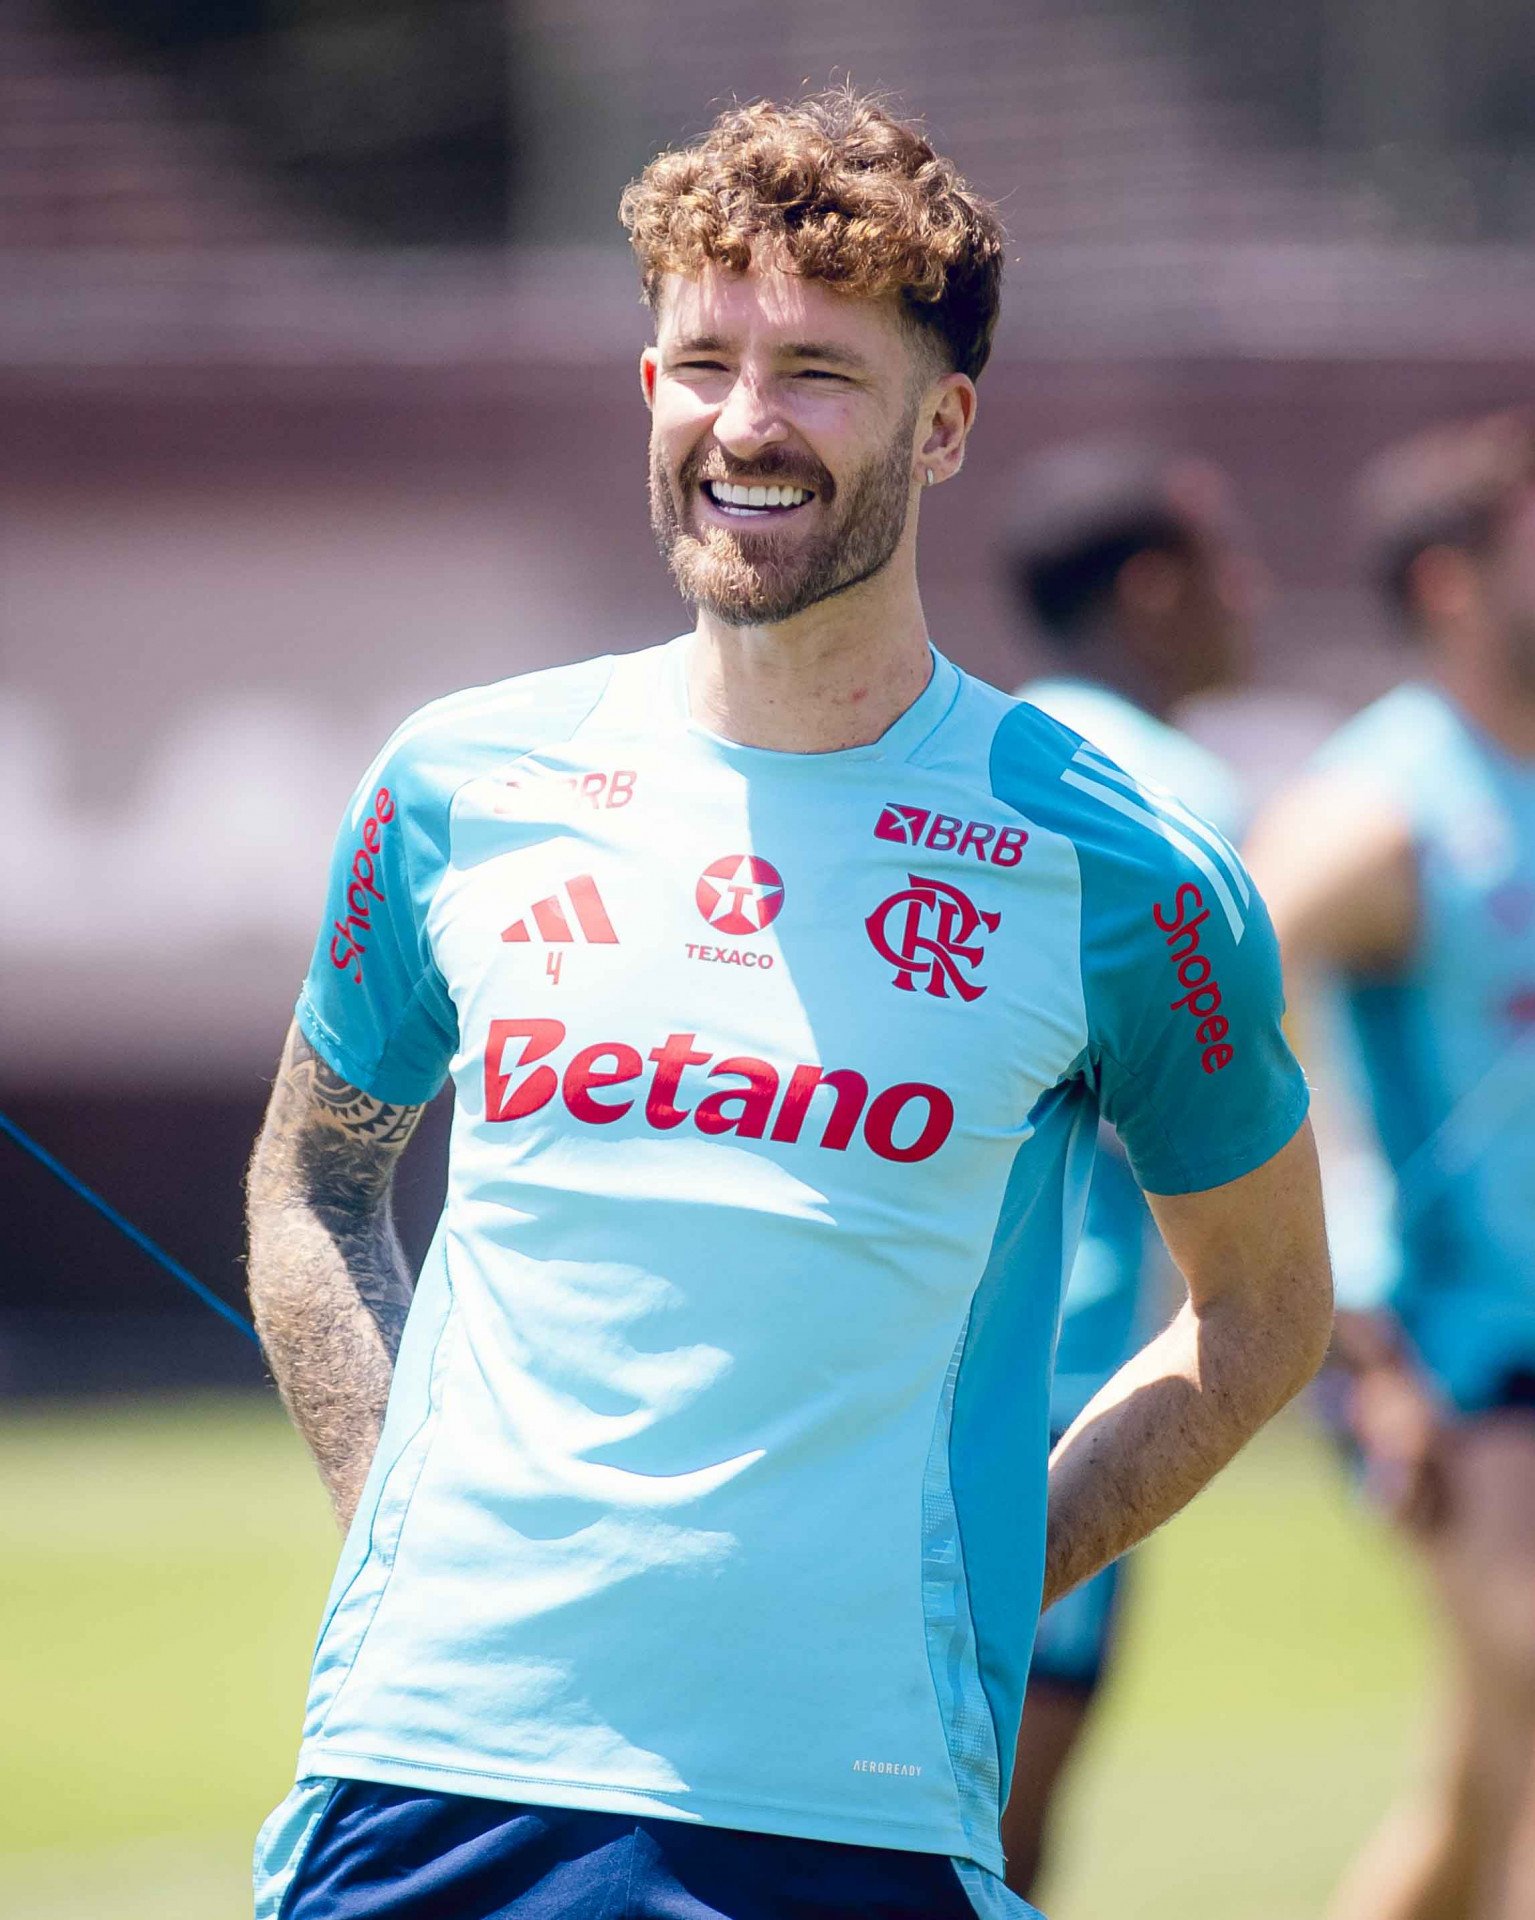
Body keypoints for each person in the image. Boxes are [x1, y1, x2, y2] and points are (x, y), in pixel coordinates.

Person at [246, 88, 1331, 1920]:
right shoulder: (456, 780)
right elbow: (313, 1181)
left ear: (945, 422)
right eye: (703, 362)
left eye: (819, 371)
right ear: (648, 388)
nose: (746, 422)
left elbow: (1268, 1312)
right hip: (420, 1787)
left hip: (855, 1813)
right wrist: (389, 1522)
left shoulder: (1121, 871)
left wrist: (998, 1570)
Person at [1245, 411, 1535, 1920]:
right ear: (1452, 581)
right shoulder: (1385, 807)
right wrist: (1349, 1319)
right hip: (1467, 1373)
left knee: (1474, 1806)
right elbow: (1215, 1022)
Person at [996, 442, 1258, 1897]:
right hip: (1072, 1384)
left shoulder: (979, 758)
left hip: (923, 1357)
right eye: (1227, 566)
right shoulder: (1177, 798)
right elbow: (1231, 1131)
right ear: (1154, 590)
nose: (1250, 596)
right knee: (995, 1844)